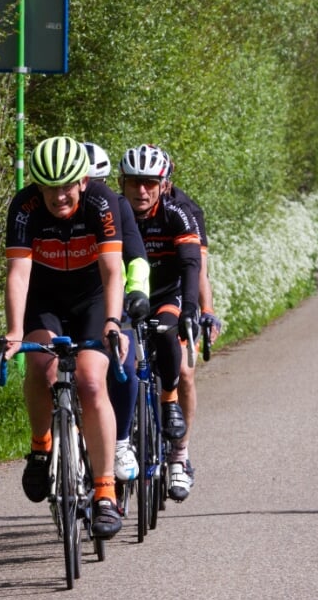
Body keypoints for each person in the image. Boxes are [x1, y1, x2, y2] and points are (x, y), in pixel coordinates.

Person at [0, 135, 128, 538]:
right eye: (49, 186)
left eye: (66, 185)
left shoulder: (102, 202)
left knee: (90, 380)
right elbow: (18, 274)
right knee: (40, 365)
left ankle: (105, 490)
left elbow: (112, 269)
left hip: (91, 299)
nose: (58, 195)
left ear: (82, 182)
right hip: (46, 298)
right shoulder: (24, 206)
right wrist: (15, 332)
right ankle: (41, 447)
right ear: (37, 185)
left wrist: (112, 321)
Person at [118, 144, 202, 501]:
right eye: (135, 183)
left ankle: (171, 417)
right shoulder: (114, 212)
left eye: (150, 183)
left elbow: (191, 265)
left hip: (167, 296)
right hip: (123, 299)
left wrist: (192, 310)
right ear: (121, 183)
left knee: (172, 346)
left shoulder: (178, 213)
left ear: (164, 184)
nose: (142, 191)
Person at [82, 141, 151, 484]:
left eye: (95, 182)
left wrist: (137, 292)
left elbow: (136, 257)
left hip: (110, 300)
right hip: (71, 303)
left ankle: (121, 440)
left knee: (124, 363)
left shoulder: (117, 207)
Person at [157, 146, 221, 502]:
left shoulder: (186, 210)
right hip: (137, 297)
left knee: (184, 372)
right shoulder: (125, 207)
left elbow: (197, 270)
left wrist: (204, 311)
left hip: (177, 294)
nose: (146, 188)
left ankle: (180, 453)